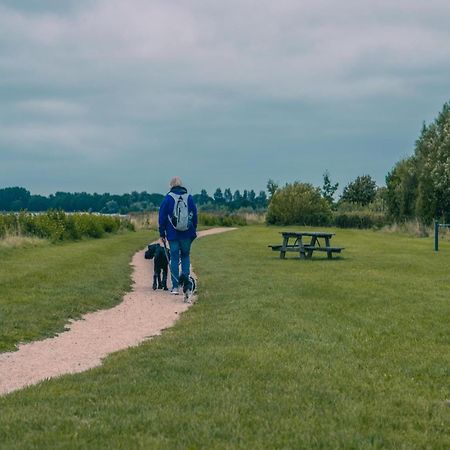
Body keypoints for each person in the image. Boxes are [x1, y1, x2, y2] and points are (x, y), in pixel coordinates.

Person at [158, 177, 197, 295]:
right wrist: (193, 229)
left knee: (174, 258)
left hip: (173, 234)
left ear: (171, 185)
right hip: (187, 233)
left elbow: (162, 217)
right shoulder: (189, 197)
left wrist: (162, 233)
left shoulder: (168, 198)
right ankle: (187, 285)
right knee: (185, 256)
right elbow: (194, 215)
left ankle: (175, 287)